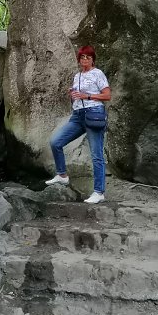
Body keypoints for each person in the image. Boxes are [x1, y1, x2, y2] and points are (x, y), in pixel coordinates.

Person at [46, 45, 111, 204]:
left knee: (96, 155)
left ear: (93, 60)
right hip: (77, 116)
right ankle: (62, 175)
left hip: (93, 114)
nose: (85, 60)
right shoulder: (77, 76)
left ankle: (99, 192)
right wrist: (73, 95)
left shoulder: (98, 73)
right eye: (82, 57)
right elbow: (77, 97)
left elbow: (107, 95)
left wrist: (86, 96)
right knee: (56, 142)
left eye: (88, 57)